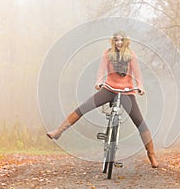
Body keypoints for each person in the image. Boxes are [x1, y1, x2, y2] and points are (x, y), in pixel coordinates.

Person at [47, 30, 159, 168]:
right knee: (83, 108)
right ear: (113, 41)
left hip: (126, 92)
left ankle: (151, 155)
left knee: (140, 123)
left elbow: (138, 75)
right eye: (116, 40)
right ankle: (58, 131)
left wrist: (140, 86)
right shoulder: (107, 54)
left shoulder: (131, 56)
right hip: (109, 89)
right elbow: (101, 70)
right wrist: (99, 81)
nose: (118, 43)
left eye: (121, 40)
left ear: (125, 41)